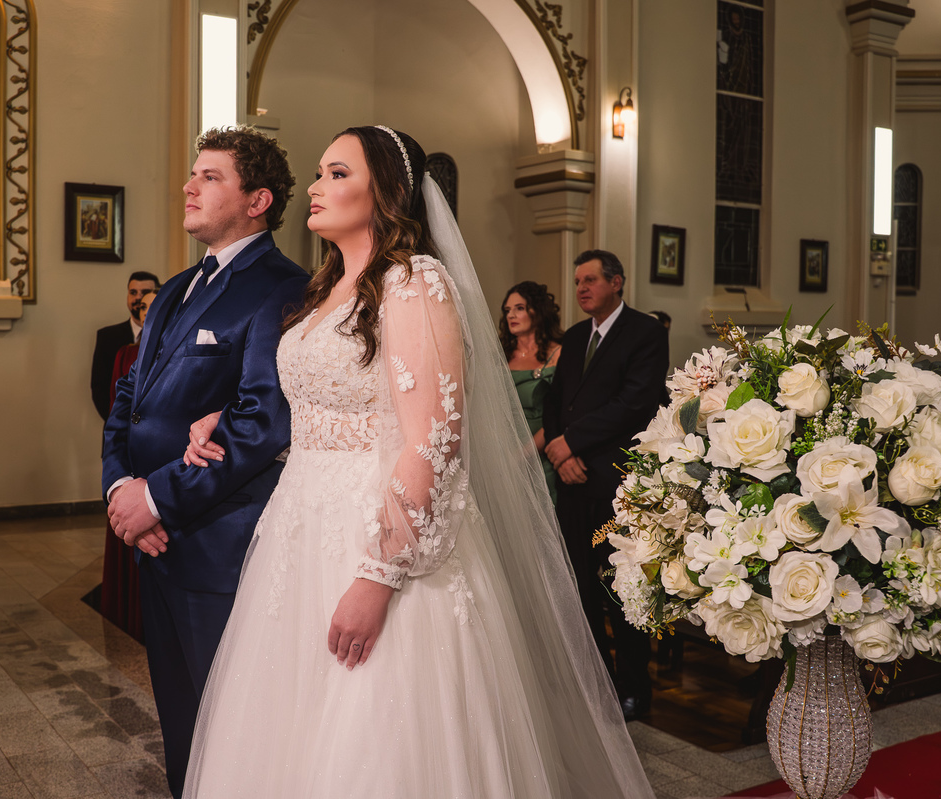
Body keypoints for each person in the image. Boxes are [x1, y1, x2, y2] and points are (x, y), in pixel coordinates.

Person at [180, 126, 654, 798]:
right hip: (300, 532)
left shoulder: (414, 282)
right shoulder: (328, 287)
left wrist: (378, 576)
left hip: (378, 538)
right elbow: (333, 412)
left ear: (386, 192)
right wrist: (222, 425)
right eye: (319, 173)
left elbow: (432, 441)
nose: (315, 187)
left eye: (337, 173)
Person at [100, 126, 309, 798]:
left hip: (219, 543)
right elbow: (127, 401)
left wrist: (156, 499)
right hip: (156, 541)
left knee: (232, 729)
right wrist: (120, 488)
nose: (188, 186)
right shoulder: (175, 288)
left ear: (258, 200)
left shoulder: (282, 288)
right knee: (181, 721)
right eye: (193, 173)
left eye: (210, 176)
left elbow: (259, 423)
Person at [543, 250, 669, 721]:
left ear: (617, 282)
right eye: (578, 281)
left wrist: (571, 443)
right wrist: (560, 451)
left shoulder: (645, 333)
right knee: (579, 589)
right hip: (572, 480)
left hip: (616, 481)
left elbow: (634, 403)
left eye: (591, 280)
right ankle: (598, 686)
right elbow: (557, 400)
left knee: (622, 591)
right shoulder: (577, 337)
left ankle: (635, 688)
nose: (582, 288)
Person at [98, 290, 158, 642]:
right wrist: (119, 477)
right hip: (127, 461)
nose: (148, 311)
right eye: (144, 306)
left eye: (155, 305)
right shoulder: (126, 354)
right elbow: (115, 407)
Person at [501, 281, 564, 502]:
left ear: (538, 311)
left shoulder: (559, 354)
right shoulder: (500, 355)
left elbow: (563, 411)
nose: (511, 315)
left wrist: (524, 454)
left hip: (545, 451)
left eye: (519, 308)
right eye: (507, 310)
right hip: (503, 451)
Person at [90, 271, 160, 420]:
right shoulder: (110, 339)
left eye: (145, 292)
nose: (138, 297)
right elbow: (101, 389)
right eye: (133, 292)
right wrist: (117, 422)